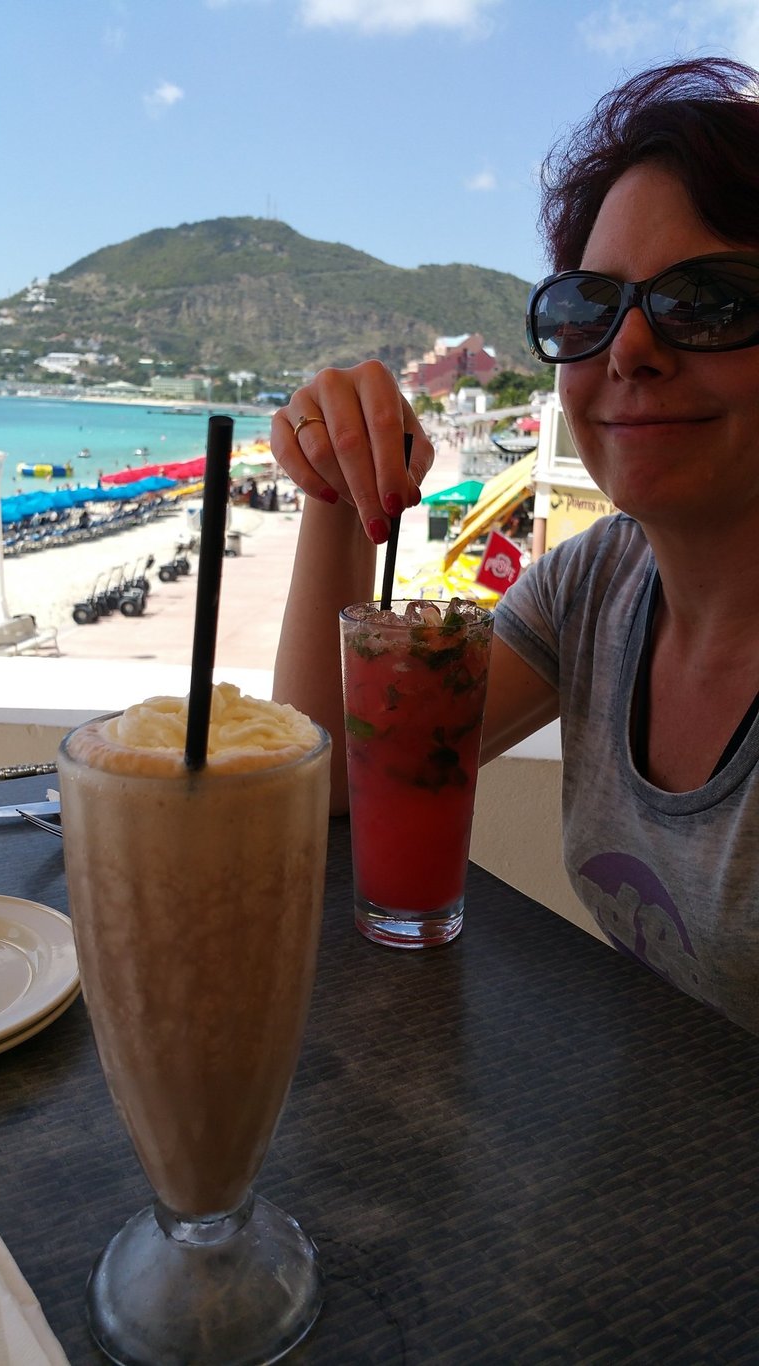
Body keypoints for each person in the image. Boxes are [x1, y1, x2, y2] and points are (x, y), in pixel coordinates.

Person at [270, 56, 759, 1035]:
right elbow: (335, 779)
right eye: (587, 308)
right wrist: (339, 480)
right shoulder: (598, 585)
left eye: (705, 300)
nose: (627, 350)